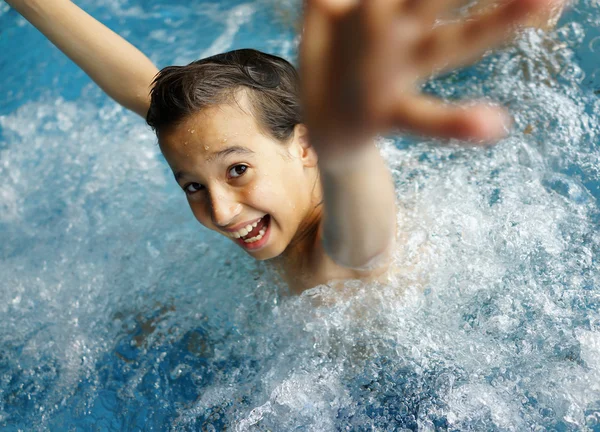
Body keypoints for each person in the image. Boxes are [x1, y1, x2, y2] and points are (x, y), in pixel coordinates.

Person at [5, 0, 564, 293]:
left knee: (527, 63)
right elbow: (140, 88)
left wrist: (348, 132)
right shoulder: (267, 195)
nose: (220, 212)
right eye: (193, 185)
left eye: (238, 170)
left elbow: (363, 219)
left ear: (306, 146)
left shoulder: (339, 250)